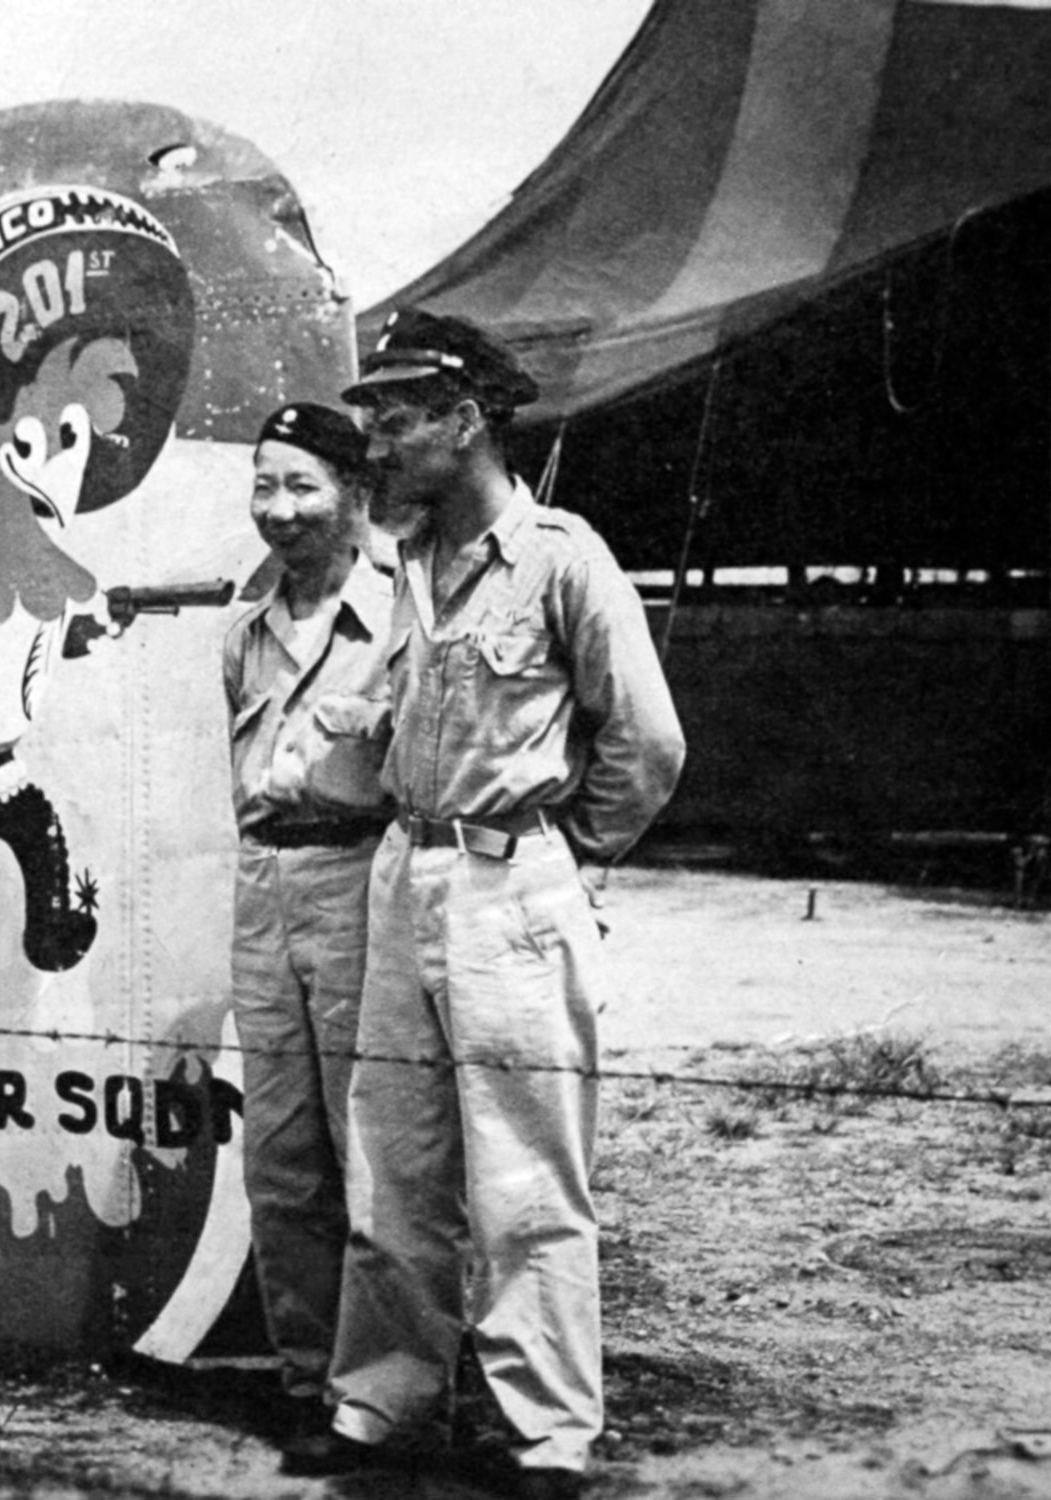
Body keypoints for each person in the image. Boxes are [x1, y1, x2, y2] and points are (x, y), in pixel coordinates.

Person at [285, 309, 685, 1496]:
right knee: (392, 1171)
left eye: (398, 417)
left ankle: (545, 1432)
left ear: (465, 422)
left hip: (509, 882)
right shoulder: (399, 564)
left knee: (523, 1181)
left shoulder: (562, 557)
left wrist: (555, 854)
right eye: (371, 418)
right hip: (400, 876)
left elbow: (646, 743)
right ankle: (380, 1398)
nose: (380, 441)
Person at [222, 403, 393, 1434]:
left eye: (302, 488)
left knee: (369, 1149)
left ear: (353, 497)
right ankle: (305, 1379)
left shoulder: (399, 619)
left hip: (357, 880)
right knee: (279, 1155)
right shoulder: (244, 630)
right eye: (264, 487)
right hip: (264, 883)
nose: (279, 511)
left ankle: (380, 1393)